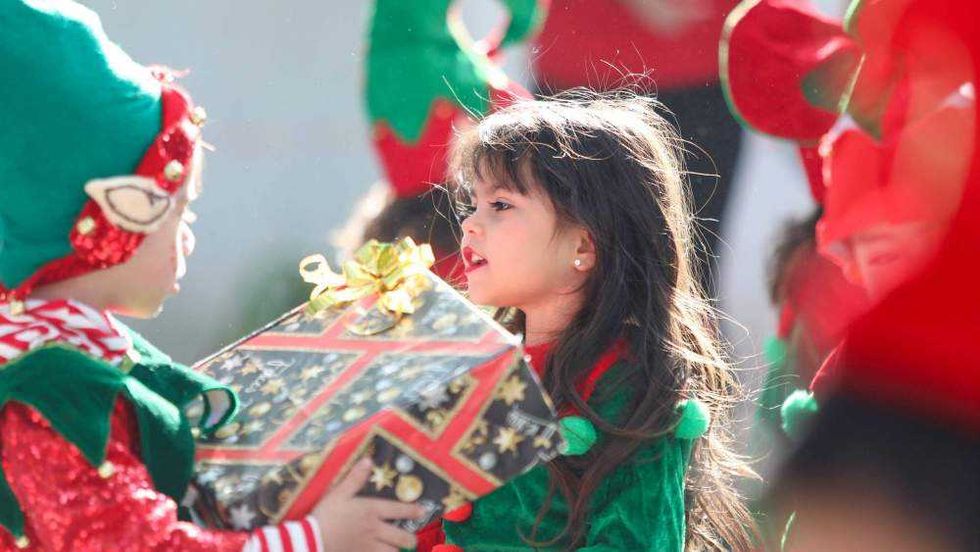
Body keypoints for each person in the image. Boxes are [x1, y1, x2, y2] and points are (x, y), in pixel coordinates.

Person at [0, 1, 422, 550]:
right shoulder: (52, 395)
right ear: (116, 218)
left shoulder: (65, 348)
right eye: (180, 213)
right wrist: (314, 538)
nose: (188, 235)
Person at [420, 92, 756, 551]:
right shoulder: (473, 369)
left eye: (500, 205)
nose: (470, 225)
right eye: (471, 205)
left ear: (583, 247)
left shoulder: (627, 387)